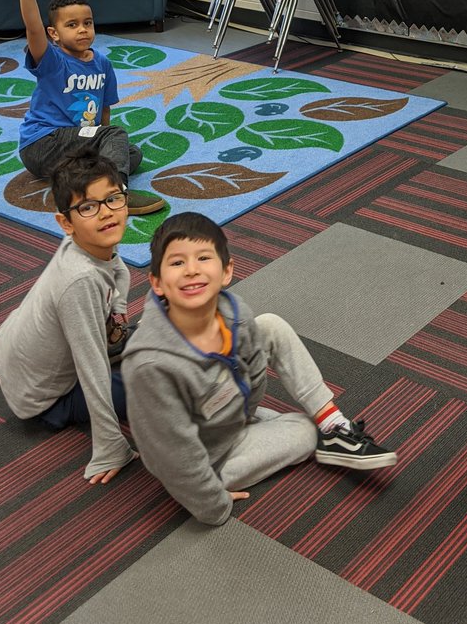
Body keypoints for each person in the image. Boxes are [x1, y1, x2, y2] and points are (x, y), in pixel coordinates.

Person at [122, 212, 396, 525]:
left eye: (202, 257)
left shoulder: (234, 311)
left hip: (227, 416)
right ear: (157, 283)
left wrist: (245, 411)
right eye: (177, 263)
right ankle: (211, 481)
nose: (192, 270)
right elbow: (173, 457)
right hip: (207, 456)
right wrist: (214, 504)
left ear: (226, 272)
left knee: (269, 325)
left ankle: (333, 425)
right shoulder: (150, 365)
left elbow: (248, 377)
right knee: (305, 431)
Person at [0, 151, 139, 481]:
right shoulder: (80, 278)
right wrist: (110, 447)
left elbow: (119, 268)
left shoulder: (87, 246)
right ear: (66, 222)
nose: (106, 213)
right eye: (88, 207)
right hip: (48, 400)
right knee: (161, 374)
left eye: (113, 199)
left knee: (165, 329)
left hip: (22, 354)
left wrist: (118, 314)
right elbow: (91, 368)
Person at [0, 0, 165, 215]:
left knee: (131, 153)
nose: (83, 29)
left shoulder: (103, 64)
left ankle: (78, 179)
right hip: (43, 143)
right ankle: (114, 194)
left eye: (87, 22)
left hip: (75, 145)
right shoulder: (52, 61)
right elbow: (33, 30)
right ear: (54, 34)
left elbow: (104, 112)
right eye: (72, 25)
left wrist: (102, 144)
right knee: (115, 137)